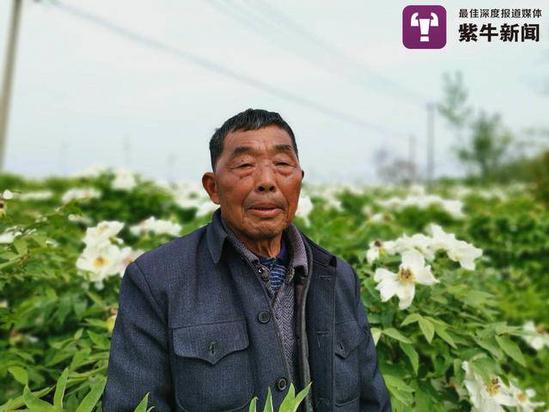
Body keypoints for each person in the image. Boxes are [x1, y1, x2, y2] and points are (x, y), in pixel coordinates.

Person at [102, 108, 391, 411]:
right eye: (244, 165)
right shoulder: (156, 280)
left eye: (282, 164)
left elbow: (373, 402)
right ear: (212, 187)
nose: (267, 180)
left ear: (299, 180)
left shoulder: (339, 278)